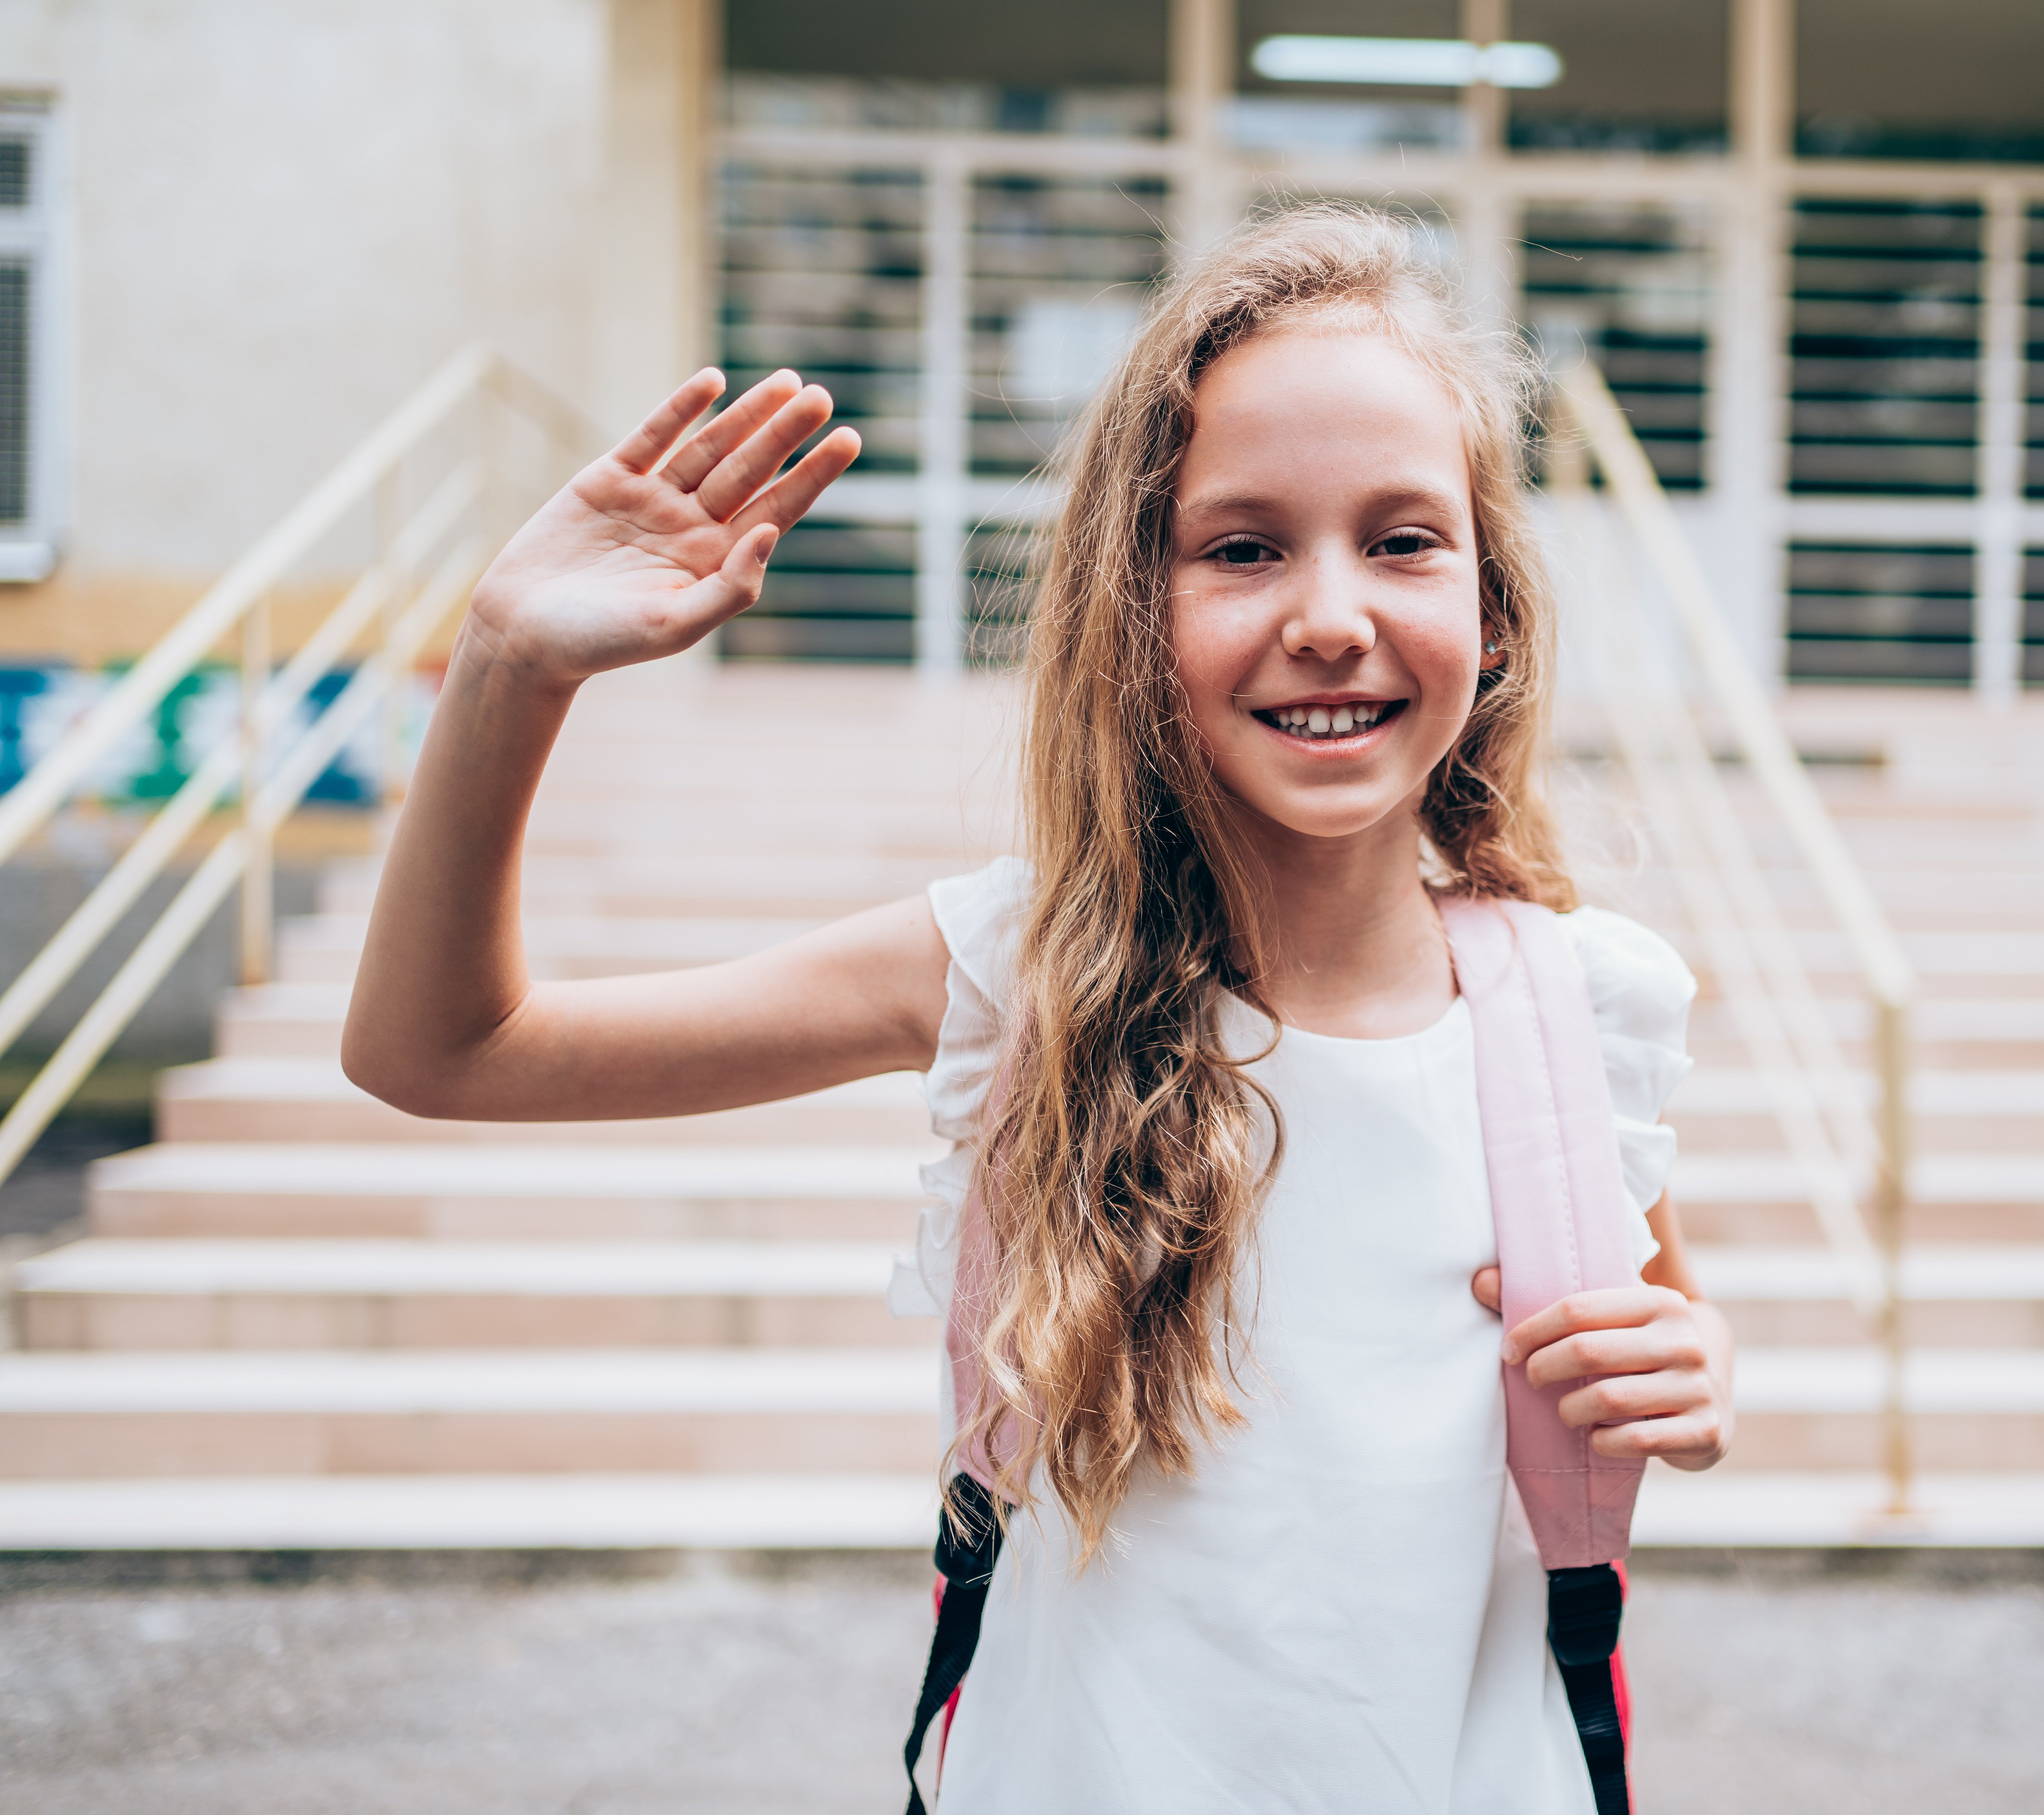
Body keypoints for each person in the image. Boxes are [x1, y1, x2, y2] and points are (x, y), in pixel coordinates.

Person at [342, 203, 1736, 1813]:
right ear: (1130, 616)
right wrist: (514, 665)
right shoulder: (1013, 975)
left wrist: (1696, 1375)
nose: (1333, 613)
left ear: (1494, 613)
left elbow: (1653, 1336)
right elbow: (438, 1051)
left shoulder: (1583, 1007)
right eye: (1243, 547)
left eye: (1405, 539)